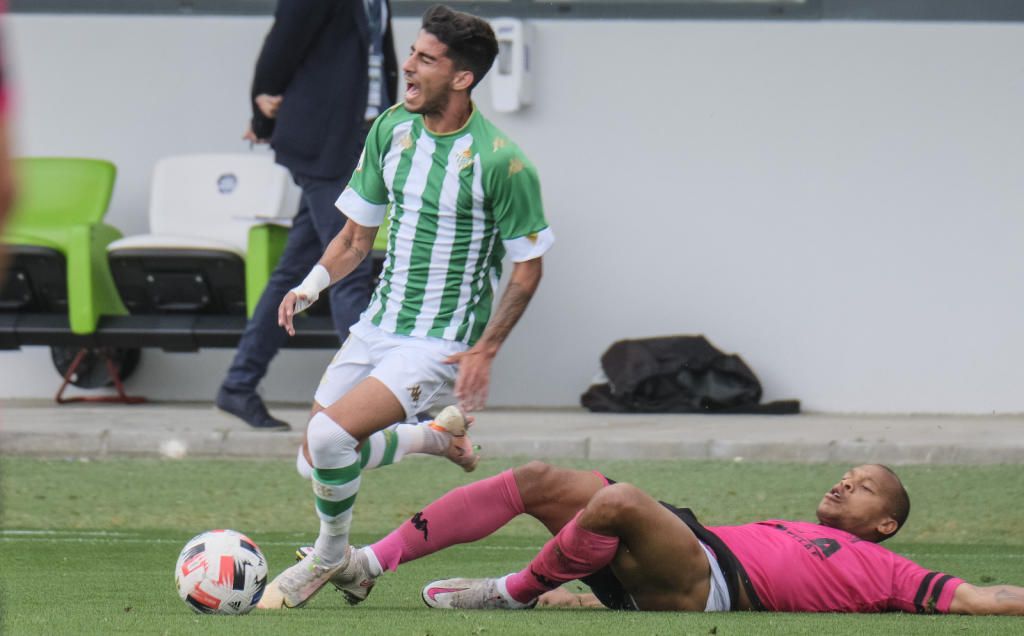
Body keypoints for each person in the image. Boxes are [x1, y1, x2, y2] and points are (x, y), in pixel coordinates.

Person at [257, 5, 553, 609]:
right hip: (378, 325)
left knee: (332, 437)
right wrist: (310, 285)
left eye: (425, 59)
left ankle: (331, 558)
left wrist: (485, 350)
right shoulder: (392, 127)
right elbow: (354, 238)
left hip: (438, 342)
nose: (407, 67)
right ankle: (436, 441)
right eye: (411, 53)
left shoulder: (502, 161)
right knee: (314, 461)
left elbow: (528, 267)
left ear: (463, 77)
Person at [292, 461, 1024, 616]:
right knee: (548, 480)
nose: (842, 483)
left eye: (862, 486)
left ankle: (512, 595)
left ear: (886, 523)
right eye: (845, 475)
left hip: (713, 586)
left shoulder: (890, 570)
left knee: (620, 500)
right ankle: (365, 563)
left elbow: (980, 597)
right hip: (694, 545)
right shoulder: (797, 525)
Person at [215, 0, 399, 430]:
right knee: (349, 266)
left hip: (361, 138)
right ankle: (387, 395)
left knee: (295, 269)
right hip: (325, 143)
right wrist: (261, 115)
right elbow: (280, 47)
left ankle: (238, 385)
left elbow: (379, 59)